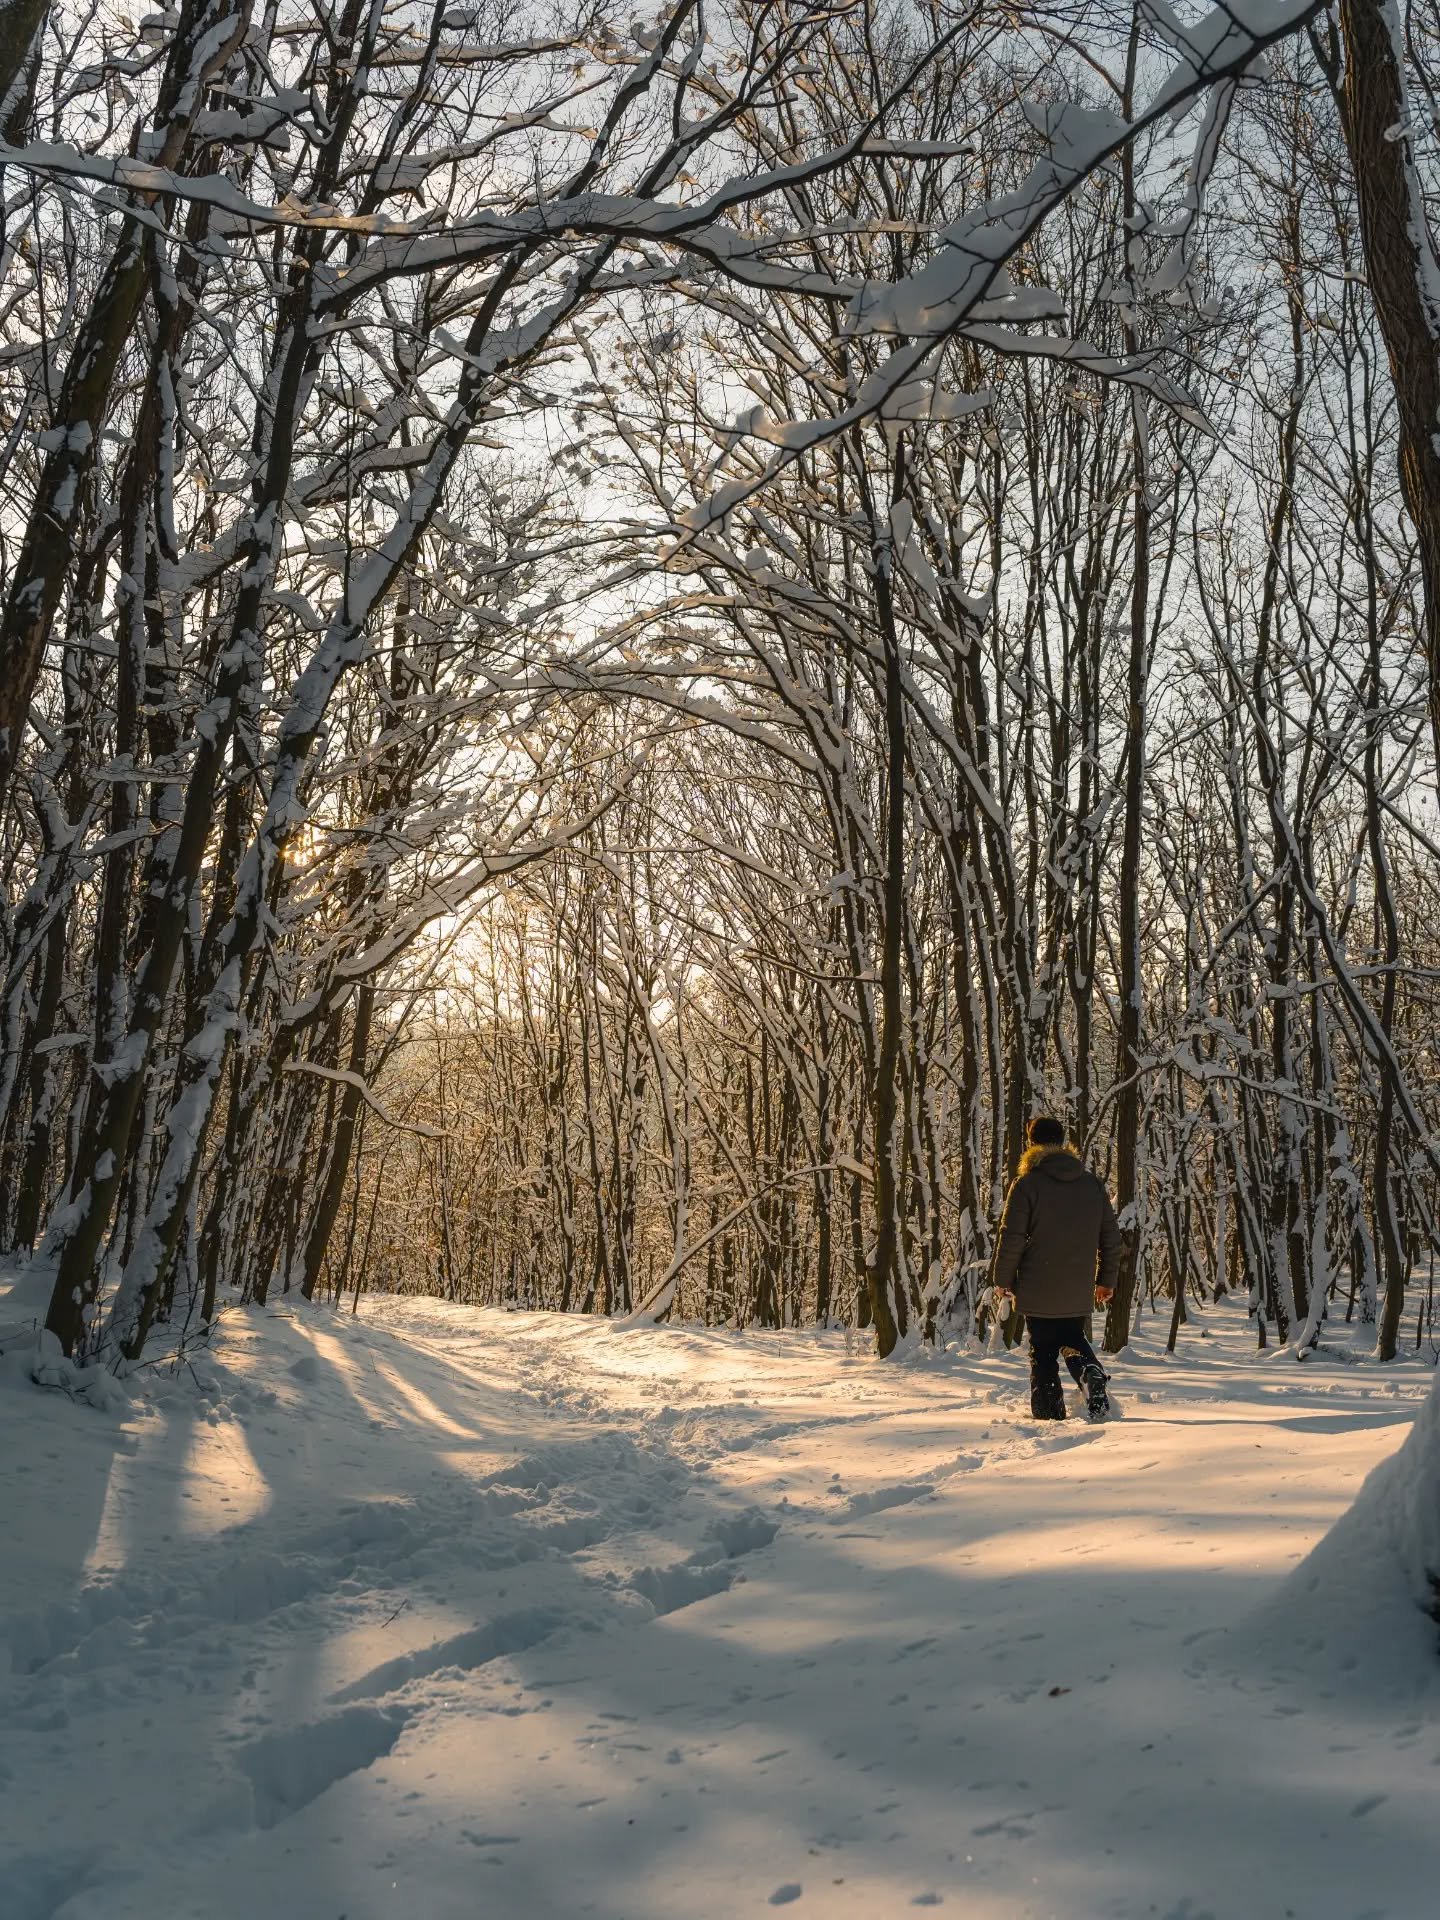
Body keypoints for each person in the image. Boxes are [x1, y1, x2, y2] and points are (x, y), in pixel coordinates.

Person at [992, 1115, 1121, 1421]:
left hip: (1037, 1283)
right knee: (1072, 1336)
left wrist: (1002, 1279)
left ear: (1031, 1143)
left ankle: (1049, 1417)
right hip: (1077, 1283)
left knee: (1043, 1350)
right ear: (1063, 1142)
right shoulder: (1091, 1184)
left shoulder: (1027, 1185)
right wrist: (1106, 1280)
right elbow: (1110, 1236)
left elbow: (1012, 1236)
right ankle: (1089, 1371)